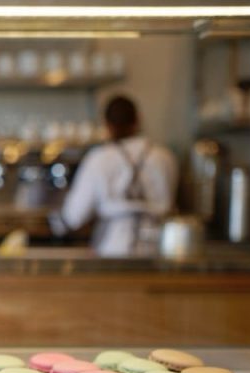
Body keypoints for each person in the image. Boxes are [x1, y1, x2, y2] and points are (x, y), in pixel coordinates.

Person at [53, 95, 178, 257]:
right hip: (160, 247)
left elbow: (74, 216)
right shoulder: (164, 157)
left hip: (113, 248)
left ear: (106, 125)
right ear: (138, 119)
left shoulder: (99, 158)